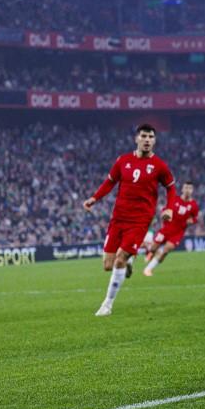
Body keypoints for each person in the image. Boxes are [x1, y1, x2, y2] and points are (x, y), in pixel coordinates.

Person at [83, 124, 176, 316]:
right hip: (118, 218)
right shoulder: (122, 161)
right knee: (108, 265)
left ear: (154, 141)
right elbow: (110, 182)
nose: (147, 140)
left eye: (151, 137)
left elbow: (171, 188)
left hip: (140, 220)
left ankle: (107, 304)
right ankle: (130, 261)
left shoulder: (159, 165)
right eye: (144, 136)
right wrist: (94, 198)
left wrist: (169, 208)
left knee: (120, 259)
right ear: (137, 139)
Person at [143, 182, 199, 277]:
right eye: (186, 188)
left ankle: (148, 269)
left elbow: (195, 218)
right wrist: (164, 215)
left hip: (177, 233)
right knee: (153, 248)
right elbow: (164, 210)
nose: (187, 190)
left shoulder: (193, 205)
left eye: (190, 188)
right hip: (166, 229)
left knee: (166, 251)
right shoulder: (174, 200)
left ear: (192, 190)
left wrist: (192, 221)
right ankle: (150, 252)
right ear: (182, 189)